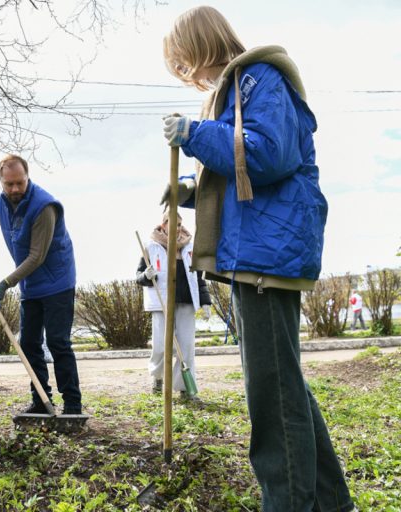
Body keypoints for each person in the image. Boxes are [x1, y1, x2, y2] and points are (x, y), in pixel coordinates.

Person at [161, 6, 354, 511]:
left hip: (271, 252)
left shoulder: (259, 77)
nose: (185, 75)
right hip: (260, 249)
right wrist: (186, 191)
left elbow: (266, 155)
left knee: (272, 394)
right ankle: (333, 502)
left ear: (202, 47)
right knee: (284, 383)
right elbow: (237, 172)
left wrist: (195, 135)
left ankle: (287, 504)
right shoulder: (235, 90)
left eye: (183, 62)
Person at [0, 154, 82, 415]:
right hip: (30, 285)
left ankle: (73, 404)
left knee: (57, 342)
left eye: (20, 183)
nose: (15, 189)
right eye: (9, 184)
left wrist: (4, 284)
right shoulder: (2, 203)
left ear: (27, 177)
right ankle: (41, 401)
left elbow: (36, 256)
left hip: (57, 281)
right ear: (1, 182)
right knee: (28, 343)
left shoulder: (44, 207)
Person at [136, 212, 210, 398]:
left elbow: (199, 277)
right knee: (160, 346)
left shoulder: (190, 247)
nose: (177, 228)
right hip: (161, 303)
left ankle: (185, 389)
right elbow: (138, 276)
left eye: (179, 224)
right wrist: (146, 276)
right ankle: (158, 377)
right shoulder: (150, 246)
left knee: (186, 347)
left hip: (186, 302)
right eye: (173, 224)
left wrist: (205, 301)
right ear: (163, 224)